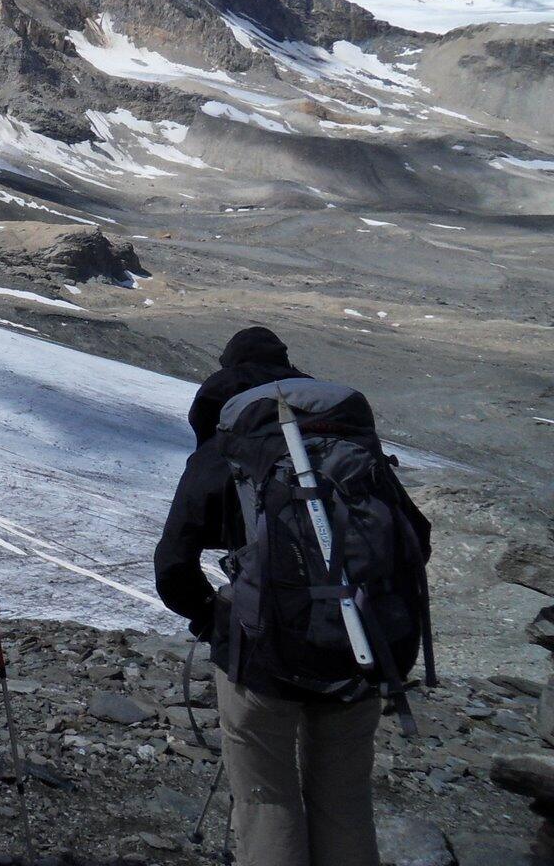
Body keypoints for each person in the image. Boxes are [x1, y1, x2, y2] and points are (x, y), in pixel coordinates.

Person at [153, 327, 409, 866]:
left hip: (261, 652)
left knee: (266, 797)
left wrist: (213, 618)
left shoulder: (227, 445)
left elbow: (173, 565)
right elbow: (415, 541)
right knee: (344, 797)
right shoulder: (346, 443)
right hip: (359, 644)